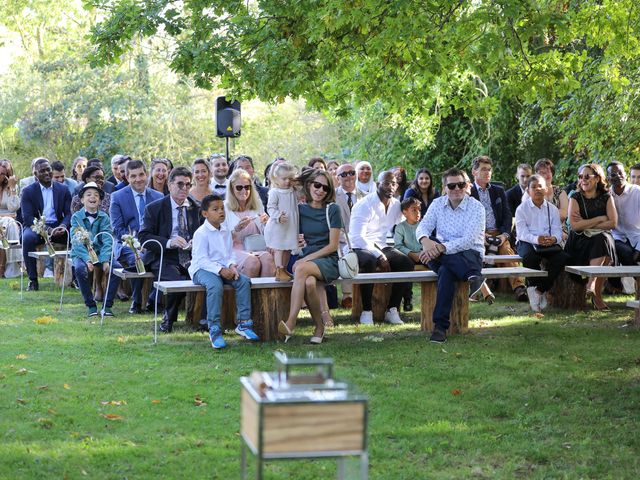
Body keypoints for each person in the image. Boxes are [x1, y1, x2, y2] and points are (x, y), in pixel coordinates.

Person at [416, 168, 486, 344]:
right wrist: (426, 241)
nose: (457, 189)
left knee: (446, 272)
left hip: (470, 255)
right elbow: (423, 227)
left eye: (461, 184)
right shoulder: (437, 204)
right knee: (441, 257)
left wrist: (440, 248)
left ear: (467, 185)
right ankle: (472, 277)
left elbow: (468, 240)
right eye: (452, 185)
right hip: (444, 255)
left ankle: (440, 328)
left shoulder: (477, 207)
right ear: (444, 187)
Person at [278, 169, 342, 344]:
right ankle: (319, 327)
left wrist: (306, 259)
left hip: (328, 259)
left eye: (325, 188)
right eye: (317, 185)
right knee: (309, 283)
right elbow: (288, 185)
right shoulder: (300, 210)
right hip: (308, 259)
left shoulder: (332, 209)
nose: (320, 190)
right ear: (309, 185)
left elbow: (333, 245)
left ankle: (291, 322)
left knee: (300, 268)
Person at [190, 194, 259, 349]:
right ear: (205, 214)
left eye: (222, 208)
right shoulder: (201, 233)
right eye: (215, 209)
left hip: (223, 269)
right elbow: (201, 260)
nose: (221, 211)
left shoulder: (226, 231)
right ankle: (214, 328)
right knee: (215, 286)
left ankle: (243, 323)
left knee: (243, 281)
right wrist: (220, 270)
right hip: (202, 270)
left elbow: (228, 254)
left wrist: (232, 266)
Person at [139, 167, 203, 332]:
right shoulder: (155, 208)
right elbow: (144, 237)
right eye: (180, 184)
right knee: (177, 281)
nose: (184, 189)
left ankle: (205, 320)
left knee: (206, 278)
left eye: (188, 185)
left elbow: (207, 233)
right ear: (169, 185)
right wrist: (169, 242)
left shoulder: (197, 208)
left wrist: (196, 242)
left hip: (191, 256)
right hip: (164, 256)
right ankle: (169, 317)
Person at [350, 170, 413, 325]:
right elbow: (357, 236)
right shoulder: (364, 205)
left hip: (382, 245)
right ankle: (366, 311)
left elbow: (407, 222)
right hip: (360, 245)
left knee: (406, 263)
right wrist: (378, 255)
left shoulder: (396, 205)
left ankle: (392, 309)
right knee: (370, 261)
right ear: (378, 184)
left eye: (393, 184)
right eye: (386, 183)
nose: (390, 187)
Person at [469, 155, 527, 302]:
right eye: (483, 169)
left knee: (506, 250)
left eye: (489, 169)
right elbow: (467, 219)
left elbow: (508, 216)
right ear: (474, 172)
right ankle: (479, 289)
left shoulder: (498, 190)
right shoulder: (468, 192)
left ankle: (519, 288)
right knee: (476, 253)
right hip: (477, 234)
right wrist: (482, 236)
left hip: (498, 233)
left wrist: (505, 235)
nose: (487, 172)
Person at [110, 159, 164, 313]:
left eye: (141, 174)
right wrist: (137, 244)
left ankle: (154, 299)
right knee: (137, 256)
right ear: (127, 177)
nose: (138, 179)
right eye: (133, 176)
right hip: (127, 244)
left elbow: (162, 226)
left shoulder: (158, 196)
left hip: (152, 244)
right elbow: (117, 229)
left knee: (165, 260)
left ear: (146, 174)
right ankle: (137, 300)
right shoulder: (118, 197)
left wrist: (151, 244)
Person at [565, 163, 618, 311]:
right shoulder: (575, 197)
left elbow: (613, 223)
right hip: (579, 242)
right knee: (604, 243)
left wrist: (586, 224)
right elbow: (575, 227)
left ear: (597, 178)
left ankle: (592, 285)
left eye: (587, 176)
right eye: (580, 176)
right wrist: (600, 219)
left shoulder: (607, 196)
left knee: (603, 240)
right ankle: (594, 291)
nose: (583, 179)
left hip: (600, 240)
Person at [515, 175, 570, 312]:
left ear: (546, 189)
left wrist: (554, 239)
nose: (537, 189)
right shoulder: (522, 209)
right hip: (527, 241)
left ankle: (540, 290)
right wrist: (536, 239)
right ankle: (533, 291)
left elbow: (557, 232)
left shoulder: (552, 209)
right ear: (528, 190)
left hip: (547, 242)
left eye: (540, 186)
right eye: (534, 187)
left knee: (562, 257)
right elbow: (521, 233)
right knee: (530, 257)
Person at [21, 158, 72, 291]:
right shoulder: (28, 191)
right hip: (37, 226)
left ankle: (75, 278)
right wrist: (48, 230)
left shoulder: (63, 189)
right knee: (27, 238)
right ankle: (33, 280)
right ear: (35, 174)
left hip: (58, 225)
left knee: (75, 236)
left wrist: (63, 226)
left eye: (48, 169)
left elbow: (69, 213)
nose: (46, 173)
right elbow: (28, 218)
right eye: (42, 171)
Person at [70, 182, 121, 317]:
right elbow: (76, 241)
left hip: (99, 253)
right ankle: (91, 304)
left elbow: (107, 239)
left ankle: (107, 305)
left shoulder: (104, 217)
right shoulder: (76, 217)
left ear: (99, 200)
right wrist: (87, 260)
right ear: (82, 200)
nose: (92, 197)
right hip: (82, 254)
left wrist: (105, 260)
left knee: (116, 269)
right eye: (88, 195)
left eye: (96, 195)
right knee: (80, 269)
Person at [224, 169, 275, 278]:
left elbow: (266, 231)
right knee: (252, 262)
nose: (244, 190)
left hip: (257, 247)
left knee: (268, 260)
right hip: (234, 250)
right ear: (232, 189)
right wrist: (236, 229)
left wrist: (267, 222)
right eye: (239, 187)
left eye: (247, 187)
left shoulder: (257, 205)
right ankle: (246, 295)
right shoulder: (224, 208)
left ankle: (264, 295)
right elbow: (220, 239)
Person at [264, 162, 299, 281]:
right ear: (276, 178)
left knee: (288, 247)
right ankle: (279, 269)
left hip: (291, 225)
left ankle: (284, 269)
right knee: (279, 248)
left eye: (290, 178)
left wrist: (296, 182)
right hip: (279, 225)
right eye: (284, 179)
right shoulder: (275, 192)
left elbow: (301, 188)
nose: (287, 182)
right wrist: (278, 216)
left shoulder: (292, 190)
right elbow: (271, 207)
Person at [334, 163, 359, 308]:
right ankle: (347, 295)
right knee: (347, 252)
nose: (348, 176)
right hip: (341, 239)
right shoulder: (332, 196)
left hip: (361, 238)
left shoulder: (365, 195)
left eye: (351, 172)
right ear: (338, 178)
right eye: (343, 174)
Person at [607, 161, 640, 266]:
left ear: (626, 175)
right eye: (613, 174)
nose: (618, 176)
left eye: (620, 173)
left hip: (637, 235)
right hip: (617, 237)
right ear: (608, 179)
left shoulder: (637, 192)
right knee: (625, 253)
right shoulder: (606, 196)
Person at [393, 197, 422, 311]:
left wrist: (423, 252)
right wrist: (411, 253)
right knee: (406, 267)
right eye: (413, 210)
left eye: (419, 210)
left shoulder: (423, 225)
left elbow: (428, 240)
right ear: (405, 213)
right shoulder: (401, 227)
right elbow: (398, 245)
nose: (417, 213)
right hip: (408, 256)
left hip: (423, 255)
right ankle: (407, 298)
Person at [533, 159, 569, 238]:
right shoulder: (531, 192)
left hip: (560, 230)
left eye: (549, 171)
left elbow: (563, 215)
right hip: (537, 231)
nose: (547, 175)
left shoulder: (561, 192)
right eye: (543, 172)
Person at [0, 159, 21, 278]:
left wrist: (12, 187)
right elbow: (10, 213)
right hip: (6, 219)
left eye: (3, 174)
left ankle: (8, 268)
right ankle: (19, 262)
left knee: (10, 223)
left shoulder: (11, 187)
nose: (0, 176)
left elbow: (13, 208)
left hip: (7, 222)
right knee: (9, 222)